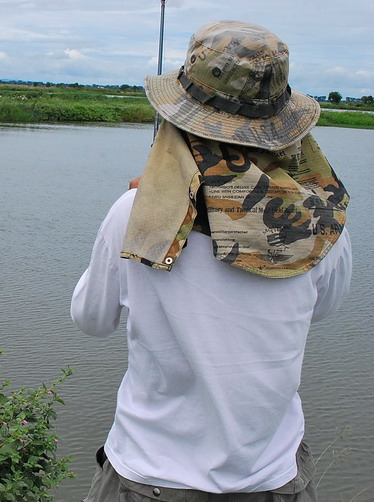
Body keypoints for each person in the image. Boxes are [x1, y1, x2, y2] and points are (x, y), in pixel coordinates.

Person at [71, 20, 352, 502]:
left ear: (180, 118)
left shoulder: (136, 214)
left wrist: (145, 210)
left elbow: (92, 320)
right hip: (270, 478)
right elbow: (321, 307)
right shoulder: (318, 219)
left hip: (150, 474)